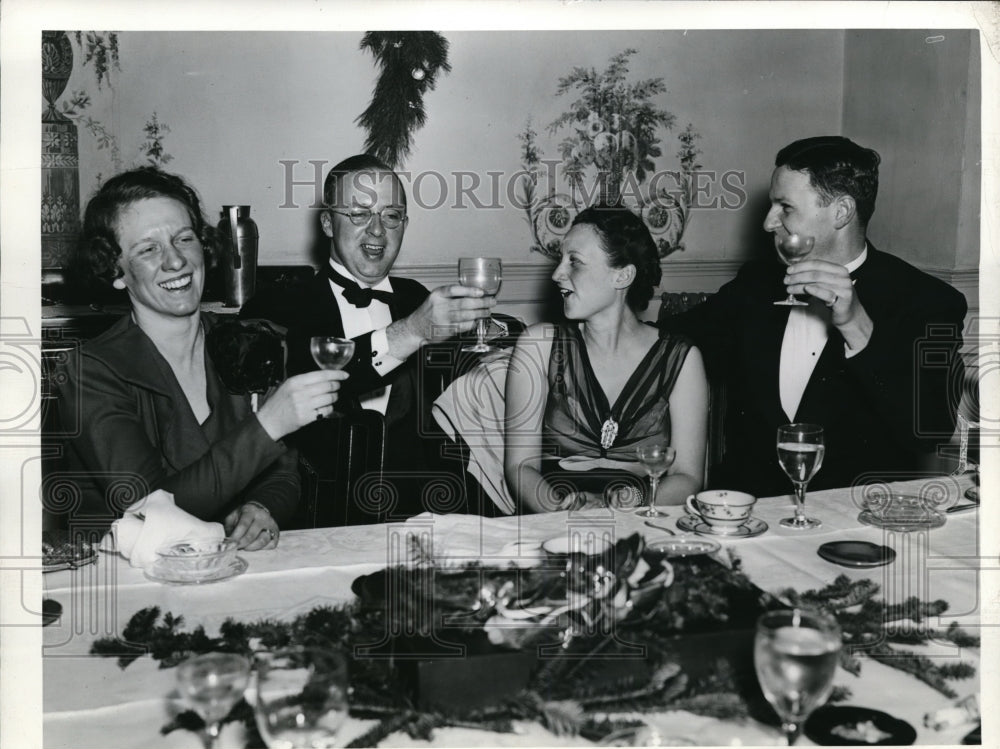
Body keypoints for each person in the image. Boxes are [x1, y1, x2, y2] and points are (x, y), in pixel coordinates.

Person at [661, 136, 967, 497]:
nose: (768, 222)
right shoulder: (756, 285)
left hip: (857, 522)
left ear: (841, 212)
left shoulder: (926, 300)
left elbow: (928, 430)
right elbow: (670, 343)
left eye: (785, 207)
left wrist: (856, 324)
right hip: (747, 513)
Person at [59, 167, 347, 548]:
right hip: (128, 584)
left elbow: (282, 472)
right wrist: (269, 424)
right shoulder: (88, 372)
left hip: (227, 569)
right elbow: (152, 514)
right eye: (148, 249)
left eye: (184, 238)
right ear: (115, 271)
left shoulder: (249, 342)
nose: (176, 261)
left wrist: (262, 507)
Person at [240, 154, 494, 522]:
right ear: (328, 223)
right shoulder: (279, 305)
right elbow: (299, 389)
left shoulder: (418, 298)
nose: (377, 230)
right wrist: (410, 332)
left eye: (391, 216)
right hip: (325, 516)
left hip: (430, 513)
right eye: (359, 214)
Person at [504, 206, 708, 514]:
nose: (557, 274)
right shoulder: (539, 346)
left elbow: (688, 476)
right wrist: (559, 509)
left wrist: (632, 508)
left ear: (622, 275)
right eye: (561, 260)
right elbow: (520, 466)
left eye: (574, 262)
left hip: (644, 522)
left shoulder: (680, 359)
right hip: (553, 522)